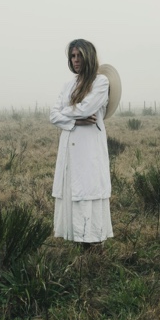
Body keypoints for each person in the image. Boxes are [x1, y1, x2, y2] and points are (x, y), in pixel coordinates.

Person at [50, 39, 114, 248]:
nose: (75, 60)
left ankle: (94, 245)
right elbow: (53, 115)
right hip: (70, 148)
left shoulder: (100, 83)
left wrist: (66, 114)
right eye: (72, 56)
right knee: (73, 191)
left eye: (79, 56)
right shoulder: (68, 85)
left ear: (89, 56)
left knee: (89, 191)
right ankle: (78, 240)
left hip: (89, 150)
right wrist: (75, 120)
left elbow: (86, 108)